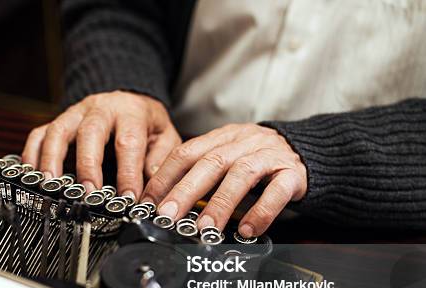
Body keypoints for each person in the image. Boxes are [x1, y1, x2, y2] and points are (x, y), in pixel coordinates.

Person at [22, 0, 426, 237]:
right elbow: (119, 7)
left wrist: (328, 152)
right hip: (161, 175)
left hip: (365, 244)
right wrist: (123, 83)